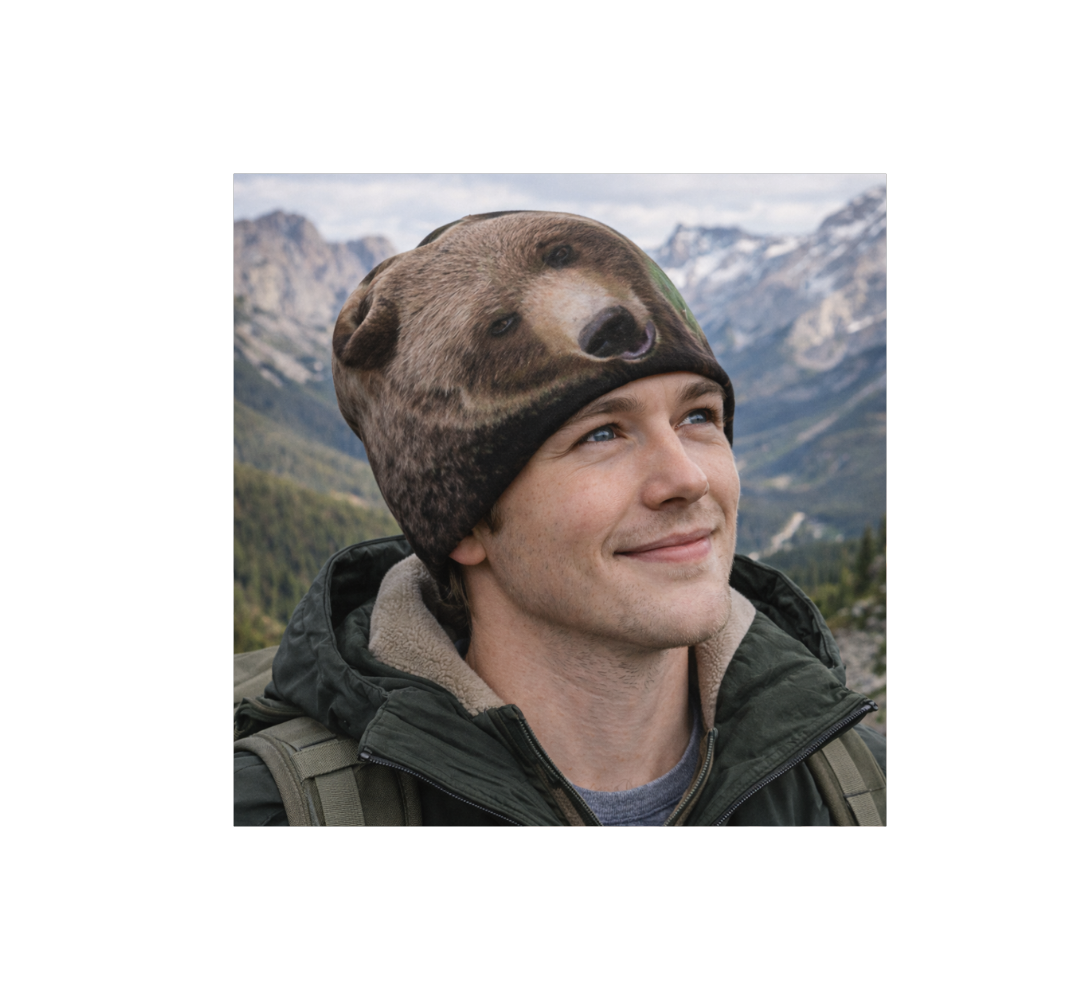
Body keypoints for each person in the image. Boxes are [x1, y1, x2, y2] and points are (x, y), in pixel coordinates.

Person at [233, 210, 886, 826]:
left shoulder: (860, 783)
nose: (687, 478)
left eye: (699, 417)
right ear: (461, 522)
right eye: (601, 434)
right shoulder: (275, 808)